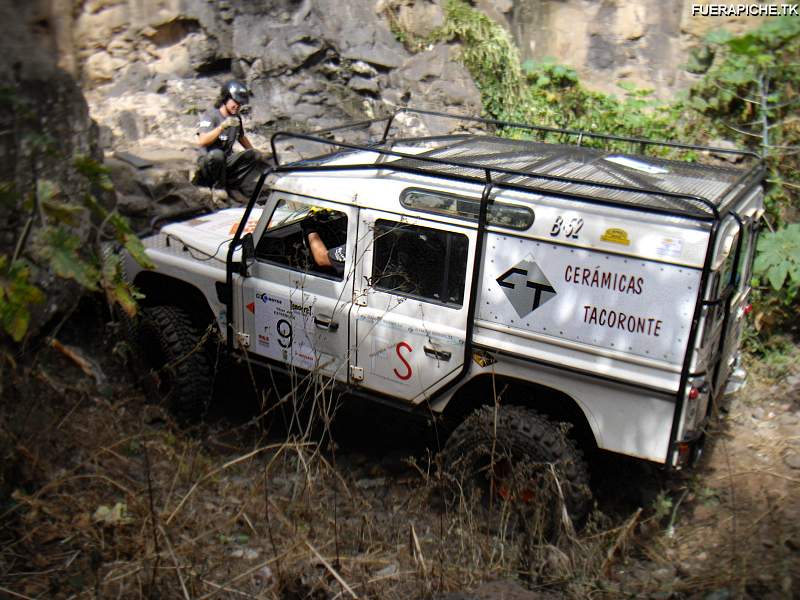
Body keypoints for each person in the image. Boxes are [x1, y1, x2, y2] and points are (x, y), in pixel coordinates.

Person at [194, 79, 263, 200]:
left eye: (240, 104)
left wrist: (254, 152)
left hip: (225, 160)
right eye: (235, 102)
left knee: (254, 155)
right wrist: (222, 127)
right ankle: (217, 187)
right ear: (225, 99)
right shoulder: (211, 115)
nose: (237, 106)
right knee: (217, 154)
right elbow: (202, 141)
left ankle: (231, 184)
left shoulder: (236, 118)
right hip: (209, 161)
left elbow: (241, 137)